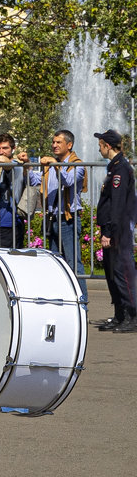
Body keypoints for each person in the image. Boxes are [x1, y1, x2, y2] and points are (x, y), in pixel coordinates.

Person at [24, 129, 87, 289]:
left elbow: (68, 181)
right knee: (55, 264)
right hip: (52, 219)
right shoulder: (51, 166)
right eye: (53, 142)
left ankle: (82, 303)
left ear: (69, 144)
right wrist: (27, 165)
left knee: (74, 264)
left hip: (69, 220)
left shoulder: (77, 165)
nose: (54, 145)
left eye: (58, 142)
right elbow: (33, 179)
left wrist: (56, 165)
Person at [93, 129, 137, 333]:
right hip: (114, 226)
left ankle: (132, 316)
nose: (99, 148)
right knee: (112, 273)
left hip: (118, 229)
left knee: (123, 273)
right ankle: (120, 315)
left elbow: (118, 205)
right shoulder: (115, 168)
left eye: (100, 144)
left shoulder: (120, 170)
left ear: (107, 146)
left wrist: (109, 231)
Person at [0, 133, 25, 248]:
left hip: (12, 221)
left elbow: (1, 159)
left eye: (5, 148)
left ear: (13, 149)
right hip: (4, 220)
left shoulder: (15, 166)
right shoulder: (1, 168)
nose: (1, 151)